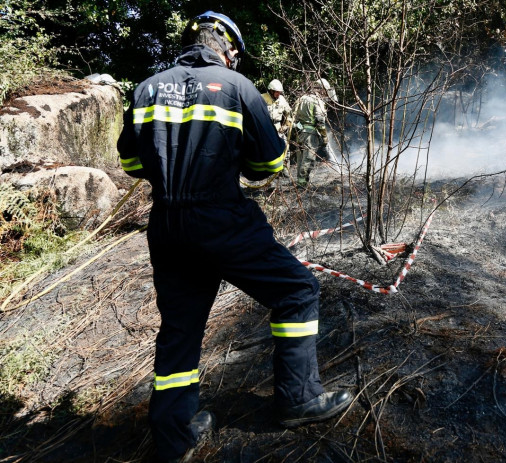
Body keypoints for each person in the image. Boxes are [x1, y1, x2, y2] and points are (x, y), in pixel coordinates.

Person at [117, 11, 352, 463]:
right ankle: (299, 398)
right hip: (220, 217)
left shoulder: (146, 87)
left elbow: (132, 164)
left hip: (166, 225)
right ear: (230, 50)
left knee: (180, 328)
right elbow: (268, 164)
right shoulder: (238, 87)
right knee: (298, 290)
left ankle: (175, 434)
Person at [293, 78, 335, 187]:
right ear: (321, 90)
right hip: (310, 135)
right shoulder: (317, 101)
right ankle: (302, 184)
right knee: (308, 159)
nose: (325, 94)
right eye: (325, 91)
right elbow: (320, 121)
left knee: (301, 158)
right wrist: (324, 137)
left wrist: (301, 128)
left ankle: (300, 181)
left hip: (300, 133)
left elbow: (293, 118)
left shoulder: (301, 99)